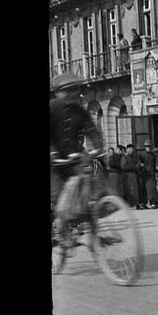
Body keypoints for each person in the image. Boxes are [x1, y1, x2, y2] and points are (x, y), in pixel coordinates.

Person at [50, 73, 105, 239]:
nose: (72, 94)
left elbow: (91, 130)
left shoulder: (79, 110)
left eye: (75, 90)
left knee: (87, 184)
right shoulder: (51, 108)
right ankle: (57, 229)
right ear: (57, 92)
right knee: (57, 195)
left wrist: (98, 147)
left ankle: (84, 222)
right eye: (67, 90)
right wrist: (52, 152)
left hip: (72, 158)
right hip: (53, 161)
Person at [121, 143, 144, 209]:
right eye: (130, 149)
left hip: (135, 176)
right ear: (127, 150)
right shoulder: (124, 157)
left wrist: (137, 166)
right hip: (128, 176)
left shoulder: (135, 157)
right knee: (130, 191)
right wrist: (135, 167)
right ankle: (130, 204)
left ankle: (137, 203)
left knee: (136, 191)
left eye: (132, 149)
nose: (131, 150)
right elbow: (124, 167)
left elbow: (139, 163)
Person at [138, 139, 158, 208]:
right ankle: (144, 202)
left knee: (151, 189)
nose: (148, 148)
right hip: (144, 173)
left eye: (149, 146)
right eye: (146, 146)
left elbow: (155, 165)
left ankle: (152, 202)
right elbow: (139, 162)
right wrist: (141, 166)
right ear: (144, 147)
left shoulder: (153, 155)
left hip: (151, 174)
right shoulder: (141, 155)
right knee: (144, 189)